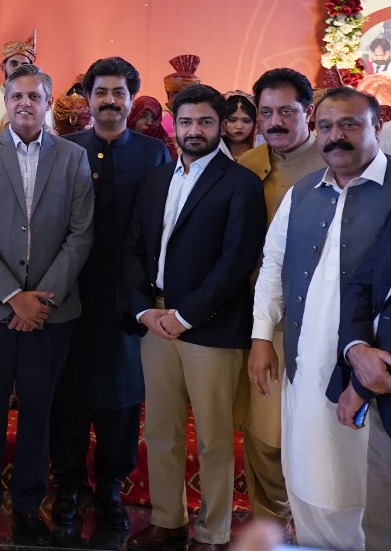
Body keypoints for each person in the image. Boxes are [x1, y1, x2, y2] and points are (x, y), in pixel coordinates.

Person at [250, 86, 391, 551]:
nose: (336, 136)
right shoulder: (303, 192)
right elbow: (273, 264)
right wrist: (261, 336)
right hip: (303, 361)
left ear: (376, 127)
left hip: (371, 372)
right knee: (307, 471)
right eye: (326, 126)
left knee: (365, 488)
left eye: (349, 124)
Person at [124, 83, 265, 551]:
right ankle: (168, 520)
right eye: (186, 121)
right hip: (156, 321)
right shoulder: (157, 179)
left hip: (211, 326)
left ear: (220, 125)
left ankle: (213, 531)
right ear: (174, 124)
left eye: (205, 121)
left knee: (213, 437)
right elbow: (134, 248)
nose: (195, 130)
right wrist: (144, 309)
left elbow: (236, 261)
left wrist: (185, 316)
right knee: (160, 430)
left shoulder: (240, 182)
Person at [0, 63, 94, 546]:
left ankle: (29, 507)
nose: (25, 103)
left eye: (34, 96)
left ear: (48, 102)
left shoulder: (74, 157)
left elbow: (81, 233)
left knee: (39, 411)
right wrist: (14, 297)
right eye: (16, 96)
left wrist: (41, 299)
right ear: (6, 101)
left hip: (51, 314)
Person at [50, 57, 171, 537]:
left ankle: (110, 488)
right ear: (88, 97)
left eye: (119, 92)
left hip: (128, 298)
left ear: (131, 98)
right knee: (68, 394)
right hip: (71, 293)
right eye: (101, 92)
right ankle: (68, 485)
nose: (109, 101)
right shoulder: (66, 149)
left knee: (121, 397)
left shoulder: (154, 153)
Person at [235, 67, 323, 529]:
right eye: (266, 112)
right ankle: (271, 525)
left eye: (286, 111)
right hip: (257, 317)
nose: (275, 122)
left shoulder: (334, 162)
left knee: (310, 431)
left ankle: (311, 526)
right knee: (262, 432)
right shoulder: (247, 165)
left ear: (308, 111)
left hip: (320, 318)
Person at [337, 168, 391, 548]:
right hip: (388, 405)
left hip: (383, 382)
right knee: (381, 528)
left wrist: (363, 383)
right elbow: (363, 282)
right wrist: (357, 351)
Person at [130, 95, 176, 161]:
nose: (149, 122)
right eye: (143, 116)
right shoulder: (120, 142)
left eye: (154, 118)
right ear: (133, 116)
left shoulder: (164, 147)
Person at [221, 90, 258, 160]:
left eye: (246, 121)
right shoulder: (209, 150)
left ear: (255, 123)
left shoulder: (265, 150)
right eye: (232, 120)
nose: (239, 127)